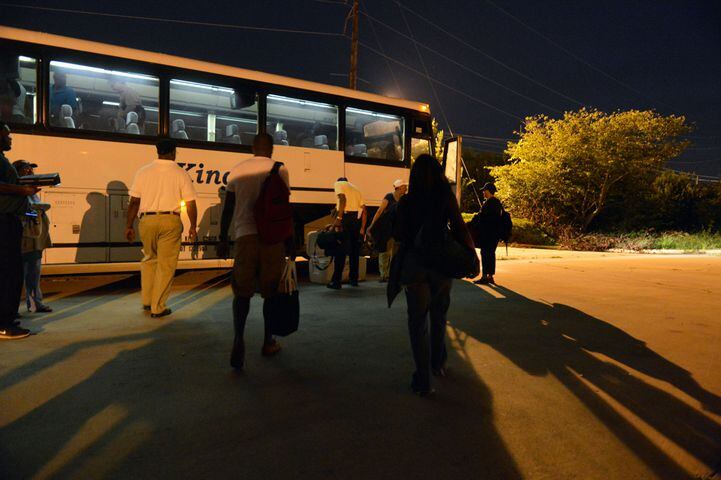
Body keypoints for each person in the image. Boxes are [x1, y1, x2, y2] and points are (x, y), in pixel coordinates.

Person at [392, 154, 474, 396]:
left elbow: (399, 235)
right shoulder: (444, 198)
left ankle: (423, 380)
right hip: (441, 265)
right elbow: (460, 227)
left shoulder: (406, 202)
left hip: (415, 267)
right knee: (439, 317)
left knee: (417, 323)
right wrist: (472, 254)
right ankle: (438, 364)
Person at [217, 133, 289, 370]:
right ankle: (268, 341)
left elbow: (228, 209)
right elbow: (283, 207)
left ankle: (239, 338)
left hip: (245, 235)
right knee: (270, 292)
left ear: (252, 148)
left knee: (242, 292)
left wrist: (222, 238)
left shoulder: (237, 170)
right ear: (272, 149)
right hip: (271, 239)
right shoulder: (280, 169)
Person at [125, 139, 197, 318]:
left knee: (149, 260)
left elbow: (134, 202)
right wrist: (193, 226)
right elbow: (190, 203)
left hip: (147, 220)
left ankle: (148, 301)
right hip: (170, 221)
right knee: (166, 265)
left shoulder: (143, 171)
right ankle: (158, 307)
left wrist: (128, 225)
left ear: (157, 152)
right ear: (173, 152)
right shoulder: (180, 173)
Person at [0, 122, 40, 339]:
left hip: (9, 220)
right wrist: (23, 190)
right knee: (10, 273)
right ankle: (4, 324)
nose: (10, 138)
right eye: (7, 135)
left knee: (10, 273)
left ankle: (6, 317)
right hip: (4, 221)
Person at [14, 160, 52, 313]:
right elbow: (23, 212)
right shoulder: (18, 191)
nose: (30, 171)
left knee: (34, 273)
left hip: (36, 236)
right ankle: (12, 308)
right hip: (25, 238)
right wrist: (37, 211)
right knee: (18, 275)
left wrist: (38, 210)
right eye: (26, 169)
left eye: (30, 169)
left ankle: (36, 304)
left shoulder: (31, 192)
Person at [327, 177, 366, 289]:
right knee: (354, 251)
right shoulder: (356, 189)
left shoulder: (338, 184)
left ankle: (336, 281)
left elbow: (342, 199)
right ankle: (353, 280)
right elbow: (364, 210)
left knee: (341, 250)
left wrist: (338, 219)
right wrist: (362, 228)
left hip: (345, 218)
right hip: (356, 220)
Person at [367, 179, 407, 282]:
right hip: (387, 228)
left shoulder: (404, 199)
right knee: (385, 251)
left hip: (398, 229)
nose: (406, 188)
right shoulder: (389, 197)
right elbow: (379, 211)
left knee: (395, 252)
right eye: (404, 186)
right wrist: (372, 225)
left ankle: (392, 274)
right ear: (399, 188)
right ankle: (383, 274)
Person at [473, 182, 502, 285]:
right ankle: (490, 276)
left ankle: (485, 276)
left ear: (488, 191)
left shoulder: (489, 203)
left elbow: (482, 217)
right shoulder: (497, 203)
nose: (483, 193)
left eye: (484, 191)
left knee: (485, 254)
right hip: (495, 234)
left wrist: (472, 222)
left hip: (488, 234)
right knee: (491, 254)